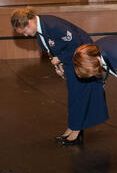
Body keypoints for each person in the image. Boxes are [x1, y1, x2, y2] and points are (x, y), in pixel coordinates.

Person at [11, 8, 107, 145]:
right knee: (73, 96)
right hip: (69, 58)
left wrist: (60, 58)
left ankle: (77, 130)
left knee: (79, 95)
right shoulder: (40, 30)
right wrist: (59, 64)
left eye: (25, 32)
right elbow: (52, 49)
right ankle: (73, 126)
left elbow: (77, 45)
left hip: (82, 57)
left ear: (29, 23)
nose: (26, 35)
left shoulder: (54, 26)